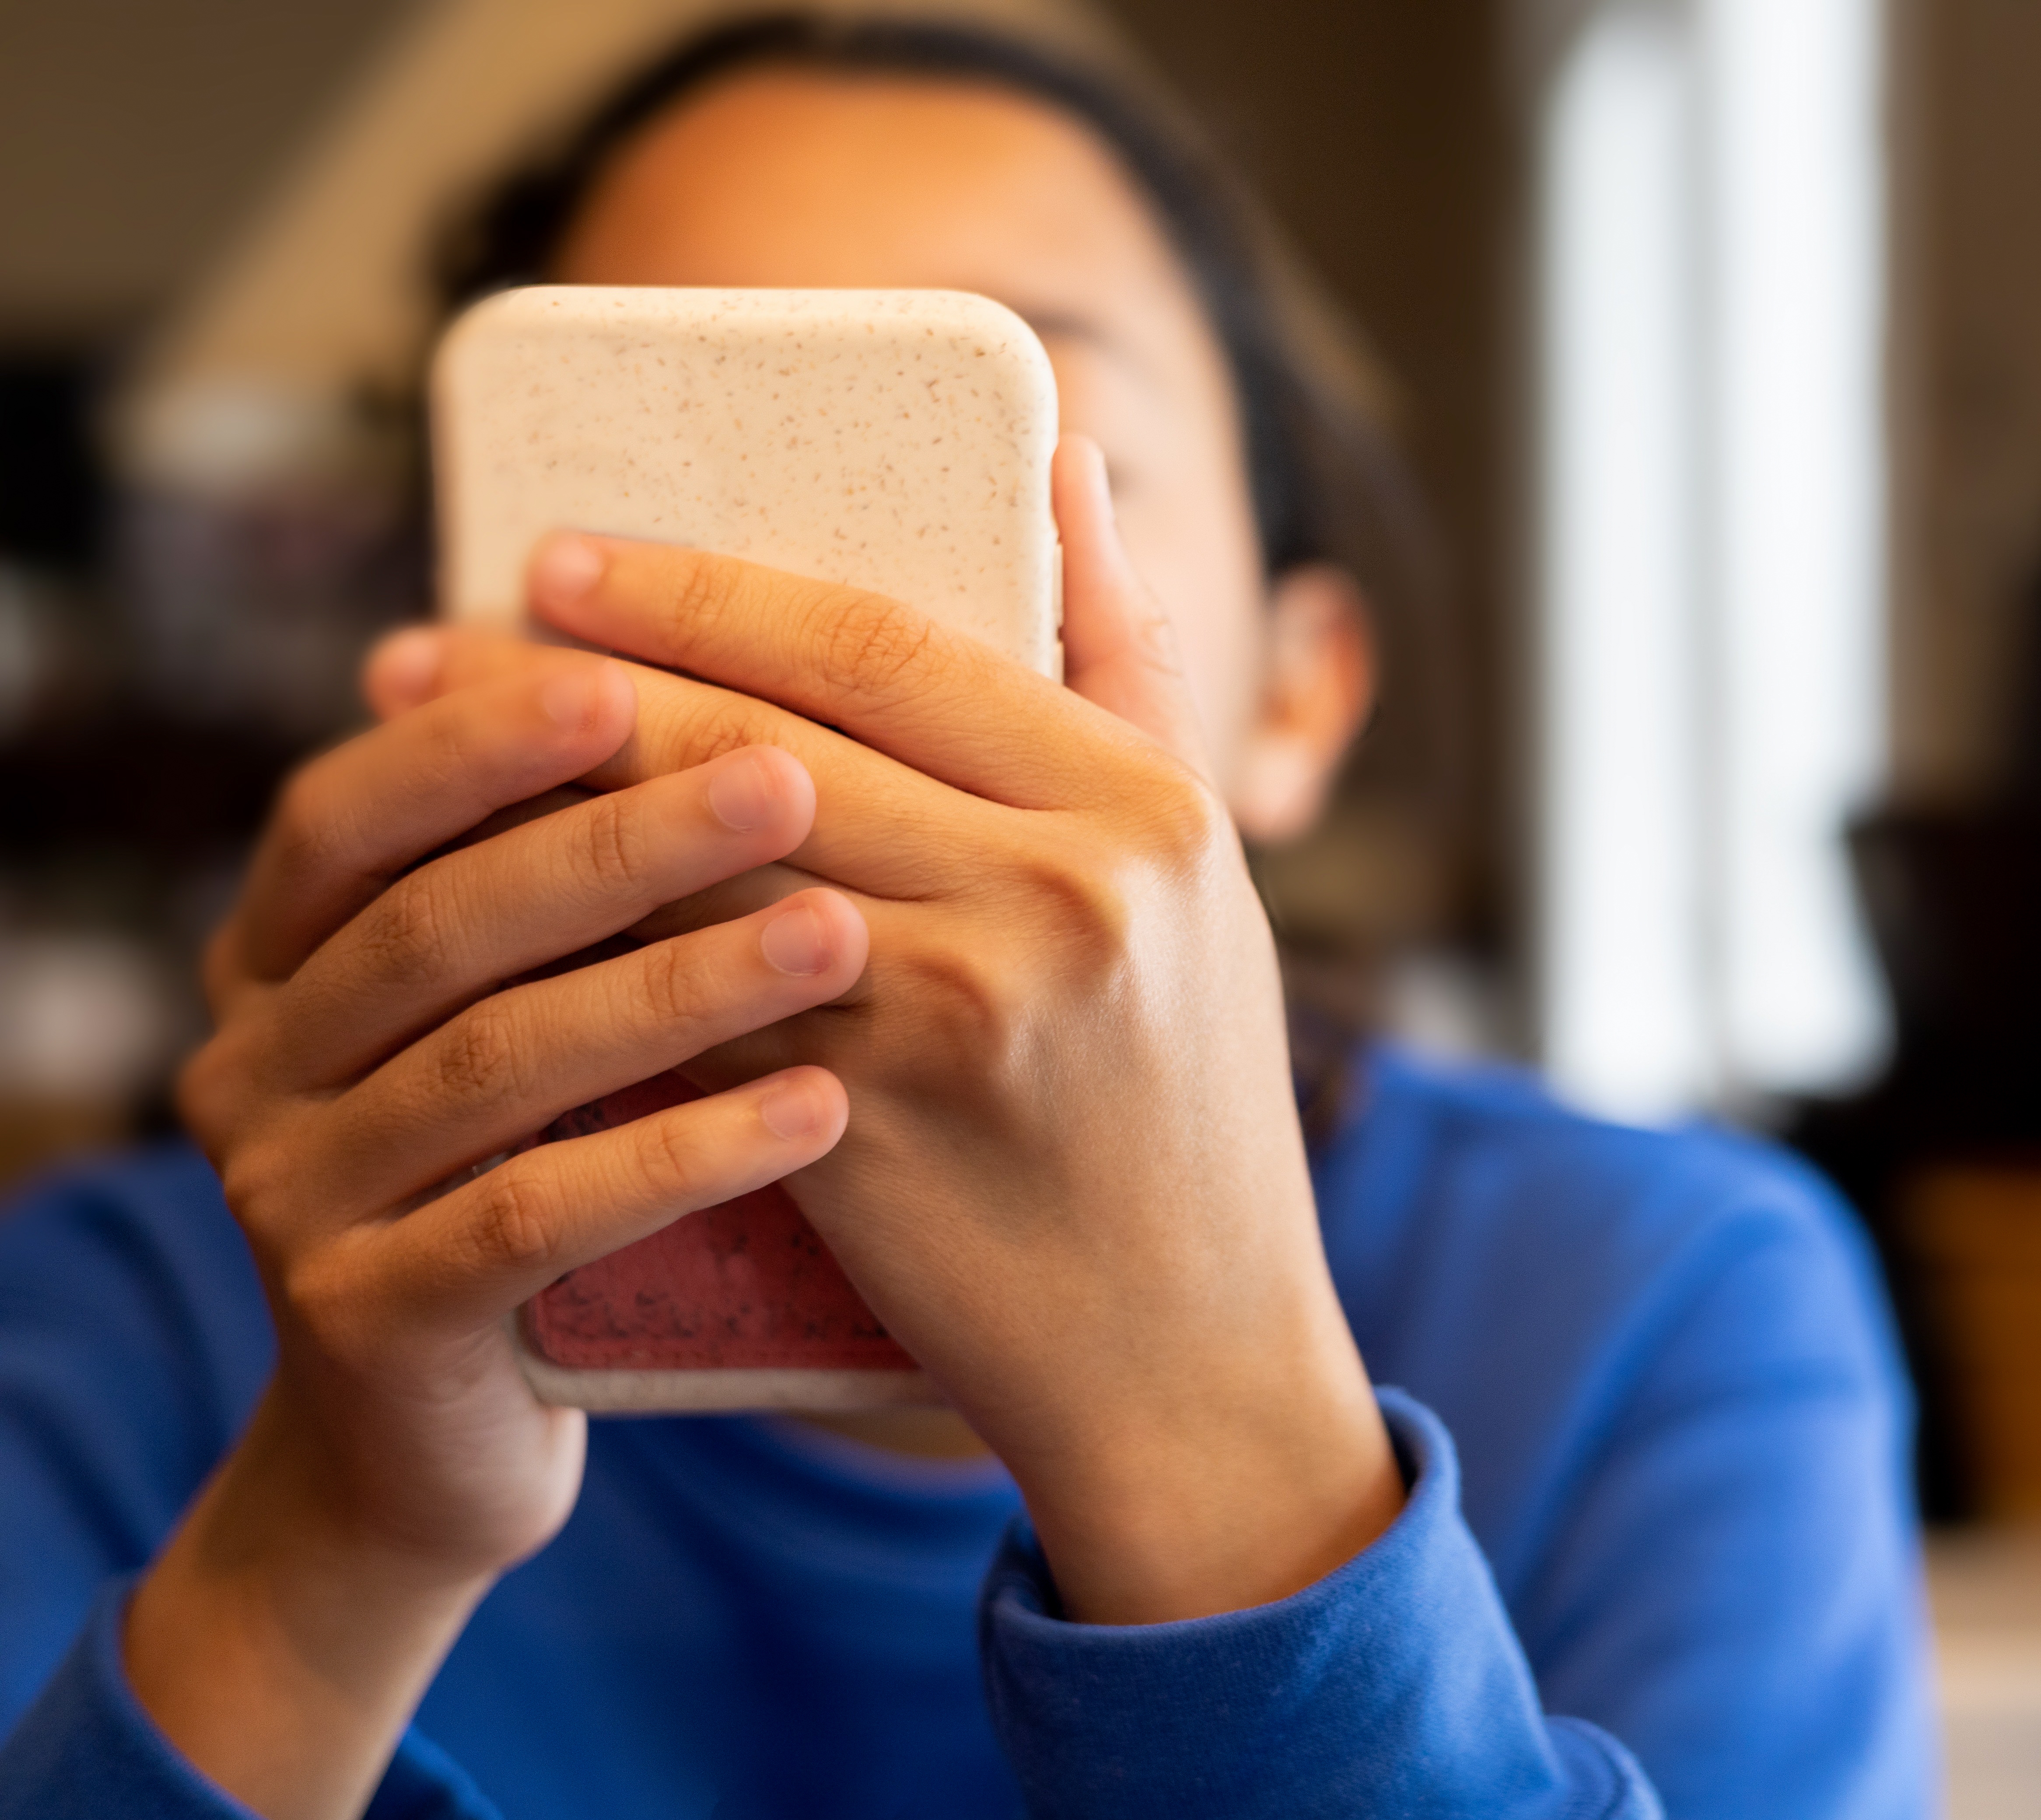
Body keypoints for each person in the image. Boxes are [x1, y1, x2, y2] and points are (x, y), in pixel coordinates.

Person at [0, 14, 1936, 1819]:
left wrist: (1210, 1419)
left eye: (1007, 468)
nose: (820, 638)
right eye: (679, 491)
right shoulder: (140, 1334)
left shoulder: (1656, 1309)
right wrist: (327, 1538)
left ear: (1298, 691)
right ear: (442, 663)